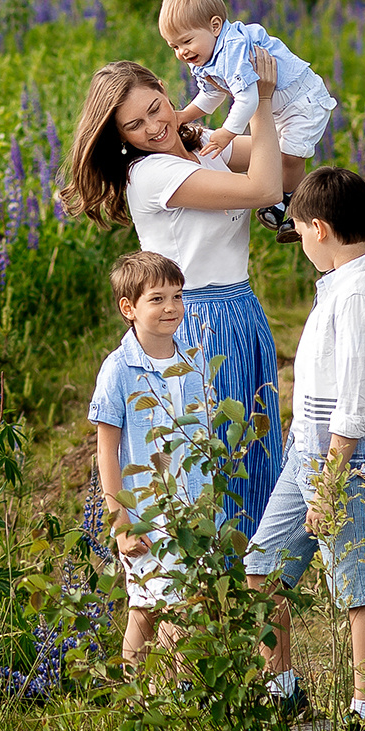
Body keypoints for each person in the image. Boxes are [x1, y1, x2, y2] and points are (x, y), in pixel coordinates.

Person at [56, 47, 286, 531]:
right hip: (194, 320)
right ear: (120, 139)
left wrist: (259, 88)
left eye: (154, 109)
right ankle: (209, 592)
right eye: (133, 126)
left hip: (241, 309)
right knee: (216, 467)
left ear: (165, 89)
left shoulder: (196, 138)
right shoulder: (151, 173)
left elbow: (284, 160)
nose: (152, 128)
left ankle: (262, 594)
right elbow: (265, 189)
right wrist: (259, 101)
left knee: (258, 461)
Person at [243, 166, 365, 731]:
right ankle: (284, 693)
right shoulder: (337, 285)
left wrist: (330, 484)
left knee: (356, 581)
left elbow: (353, 402)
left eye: (300, 230)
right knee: (262, 569)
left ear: (321, 228)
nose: (298, 240)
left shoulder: (358, 295)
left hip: (343, 464)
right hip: (304, 454)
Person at [89, 251, 206, 670]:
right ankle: (154, 697)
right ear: (129, 308)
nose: (171, 307)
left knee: (166, 603)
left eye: (177, 296)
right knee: (156, 606)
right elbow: (106, 449)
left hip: (193, 508)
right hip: (148, 515)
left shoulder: (193, 360)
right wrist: (119, 520)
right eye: (157, 299)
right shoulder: (118, 369)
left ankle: (154, 704)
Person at [158, 0, 337, 242]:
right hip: (279, 106)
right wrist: (185, 115)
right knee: (276, 155)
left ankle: (291, 208)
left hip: (303, 99)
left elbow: (248, 99)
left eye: (186, 41)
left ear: (215, 26)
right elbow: (211, 93)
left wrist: (227, 132)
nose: (182, 52)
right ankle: (292, 208)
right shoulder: (204, 56)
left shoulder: (232, 49)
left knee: (290, 157)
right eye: (174, 46)